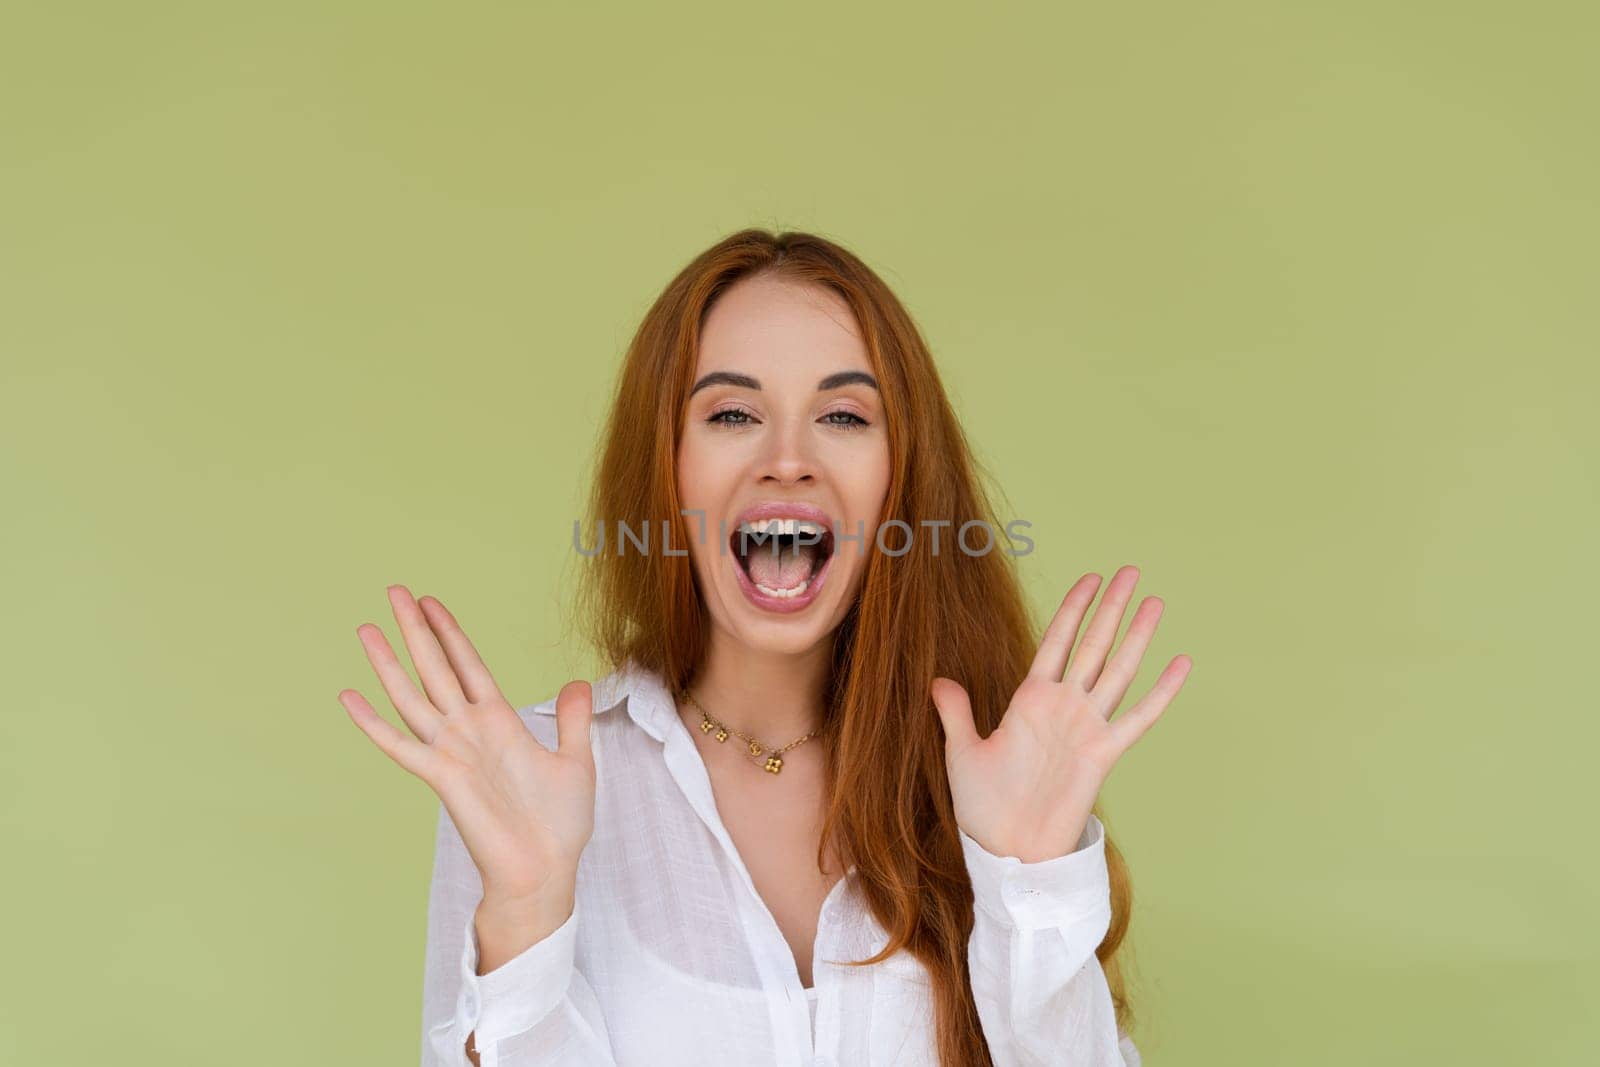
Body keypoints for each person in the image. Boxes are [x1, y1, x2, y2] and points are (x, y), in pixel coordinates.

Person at [338, 229, 1192, 1066]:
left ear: (901, 483)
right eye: (734, 413)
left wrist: (1029, 881)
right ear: (666, 473)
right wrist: (526, 908)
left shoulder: (992, 782)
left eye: (845, 415)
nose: (789, 459)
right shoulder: (525, 787)